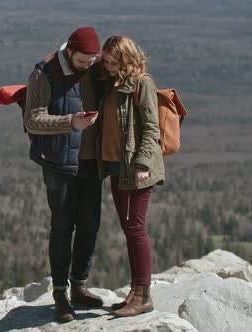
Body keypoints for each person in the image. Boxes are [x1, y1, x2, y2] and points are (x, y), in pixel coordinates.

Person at [24, 26, 105, 323]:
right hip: (58, 162)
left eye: (92, 60)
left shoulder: (95, 68)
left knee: (90, 223)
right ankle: (60, 294)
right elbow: (33, 120)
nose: (88, 66)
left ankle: (80, 286)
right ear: (70, 51)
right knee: (62, 226)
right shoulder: (44, 72)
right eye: (84, 60)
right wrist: (71, 122)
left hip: (91, 160)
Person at [95, 35, 165, 317]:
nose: (109, 66)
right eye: (106, 61)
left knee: (136, 227)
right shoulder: (112, 84)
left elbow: (151, 128)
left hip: (136, 167)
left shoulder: (142, 83)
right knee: (127, 228)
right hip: (115, 165)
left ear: (125, 59)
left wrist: (143, 163)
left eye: (113, 62)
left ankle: (144, 295)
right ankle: (135, 292)